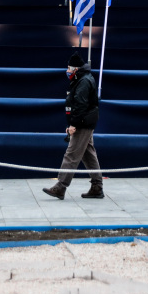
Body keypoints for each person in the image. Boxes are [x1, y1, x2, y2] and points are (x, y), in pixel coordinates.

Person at [43, 53, 104, 200]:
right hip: (86, 121)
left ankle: (60, 187)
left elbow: (80, 105)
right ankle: (97, 187)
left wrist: (73, 124)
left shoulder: (83, 81)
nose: (67, 70)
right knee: (88, 154)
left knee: (71, 154)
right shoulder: (82, 79)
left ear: (76, 68)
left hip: (82, 122)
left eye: (69, 67)